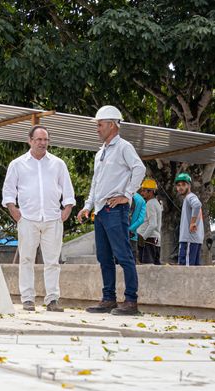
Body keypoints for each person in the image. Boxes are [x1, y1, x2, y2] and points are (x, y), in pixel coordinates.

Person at [77, 105, 145, 316]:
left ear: (111, 125)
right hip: (101, 211)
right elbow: (96, 182)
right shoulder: (101, 152)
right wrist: (88, 206)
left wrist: (127, 194)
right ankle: (108, 299)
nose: (97, 129)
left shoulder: (124, 147)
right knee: (104, 257)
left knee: (123, 255)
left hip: (115, 210)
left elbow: (139, 168)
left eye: (99, 125)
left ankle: (131, 301)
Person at [2, 125, 75, 312]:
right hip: (27, 218)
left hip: (53, 218)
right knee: (26, 259)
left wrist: (67, 209)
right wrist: (13, 210)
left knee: (52, 261)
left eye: (45, 140)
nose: (43, 143)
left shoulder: (58, 164)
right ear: (30, 140)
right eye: (39, 140)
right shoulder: (17, 164)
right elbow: (9, 190)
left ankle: (52, 299)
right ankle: (27, 299)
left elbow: (67, 189)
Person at [175, 173, 204, 266]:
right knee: (193, 272)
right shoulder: (188, 198)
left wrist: (192, 223)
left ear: (189, 185)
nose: (180, 187)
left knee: (185, 271)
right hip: (194, 240)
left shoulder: (190, 197)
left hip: (188, 240)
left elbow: (197, 205)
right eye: (178, 185)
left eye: (184, 184)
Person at [136, 179, 162, 265]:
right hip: (153, 240)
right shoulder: (155, 203)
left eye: (144, 191)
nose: (141, 193)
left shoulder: (150, 204)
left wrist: (143, 237)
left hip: (149, 240)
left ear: (150, 192)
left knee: (148, 267)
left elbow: (153, 224)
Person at [128, 191, 146, 262]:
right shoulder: (141, 200)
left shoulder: (121, 196)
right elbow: (141, 220)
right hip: (132, 236)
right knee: (132, 262)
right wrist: (130, 229)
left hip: (120, 235)